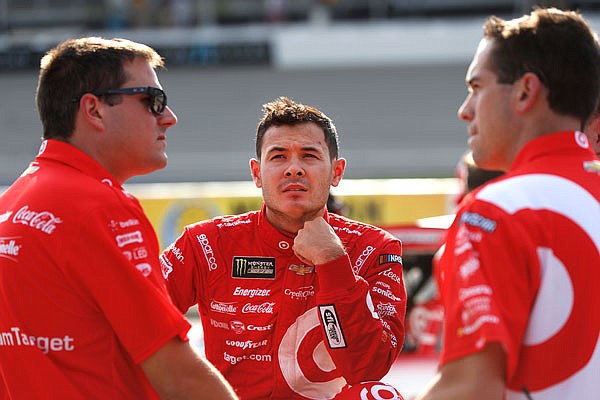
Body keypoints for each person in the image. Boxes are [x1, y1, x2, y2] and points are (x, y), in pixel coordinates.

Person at [0, 37, 237, 399]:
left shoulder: (10, 204)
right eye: (152, 101)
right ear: (94, 110)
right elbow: (179, 376)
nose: (169, 118)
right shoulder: (101, 207)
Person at [160, 96, 407, 399]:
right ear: (256, 173)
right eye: (278, 156)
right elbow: (136, 318)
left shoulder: (374, 248)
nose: (294, 169)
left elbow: (368, 368)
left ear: (337, 172)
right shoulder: (206, 243)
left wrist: (333, 262)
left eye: (309, 156)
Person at [415, 7, 600, 400]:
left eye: (477, 87)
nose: (465, 109)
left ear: (525, 91)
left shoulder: (495, 211)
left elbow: (471, 389)